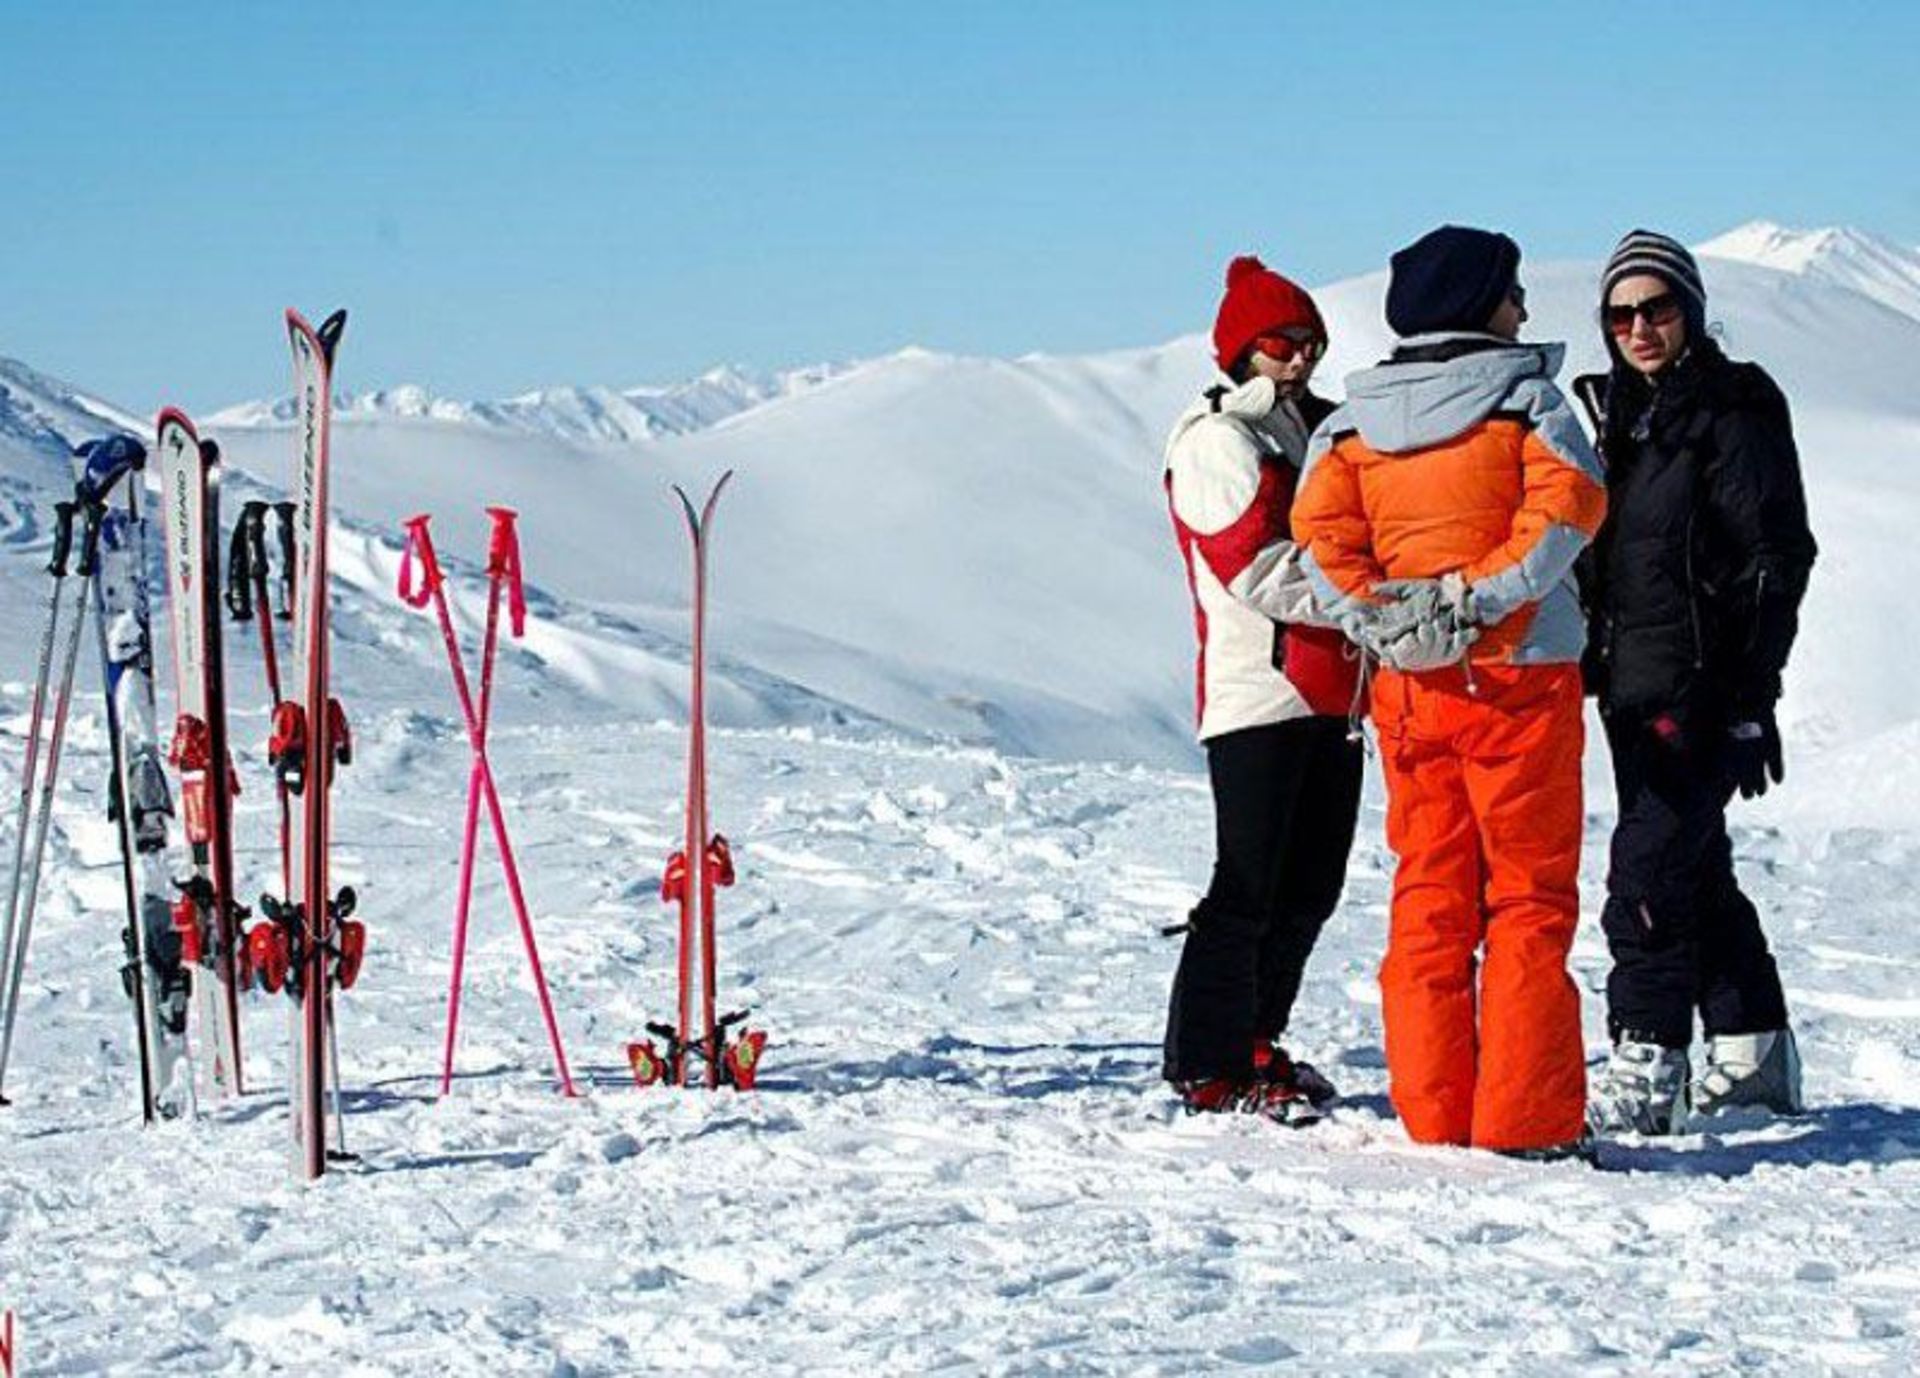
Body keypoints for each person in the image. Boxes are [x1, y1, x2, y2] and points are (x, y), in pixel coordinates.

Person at [1291, 225, 1607, 1157]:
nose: (1523, 309)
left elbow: (1322, 548)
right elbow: (1570, 508)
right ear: (1480, 303)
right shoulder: (1526, 402)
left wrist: (1395, 619)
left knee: (1428, 894)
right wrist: (1479, 600)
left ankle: (1435, 1115)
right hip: (1518, 678)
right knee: (1527, 899)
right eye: (1512, 293)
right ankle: (1526, 1122)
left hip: (1410, 688)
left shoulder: (1350, 426)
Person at [1576, 230, 1817, 1137]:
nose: (1639, 328)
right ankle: (1754, 1055)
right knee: (1690, 866)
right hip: (1630, 687)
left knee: (1644, 872)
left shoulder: (1733, 406)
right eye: (1621, 314)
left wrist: (1754, 695)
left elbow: (1775, 555)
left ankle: (1646, 1060)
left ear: (1692, 311)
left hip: (1704, 687)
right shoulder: (1621, 415)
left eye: (1658, 308)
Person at [1159, 255, 1365, 1123]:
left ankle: (1254, 1036)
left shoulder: (1310, 428)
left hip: (1333, 693)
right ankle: (1205, 1059)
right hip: (1258, 692)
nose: (1300, 357)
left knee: (1311, 885)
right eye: (1282, 342)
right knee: (1248, 882)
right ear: (1241, 350)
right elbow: (1252, 564)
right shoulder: (1217, 440)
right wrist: (1367, 599)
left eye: (1310, 341)